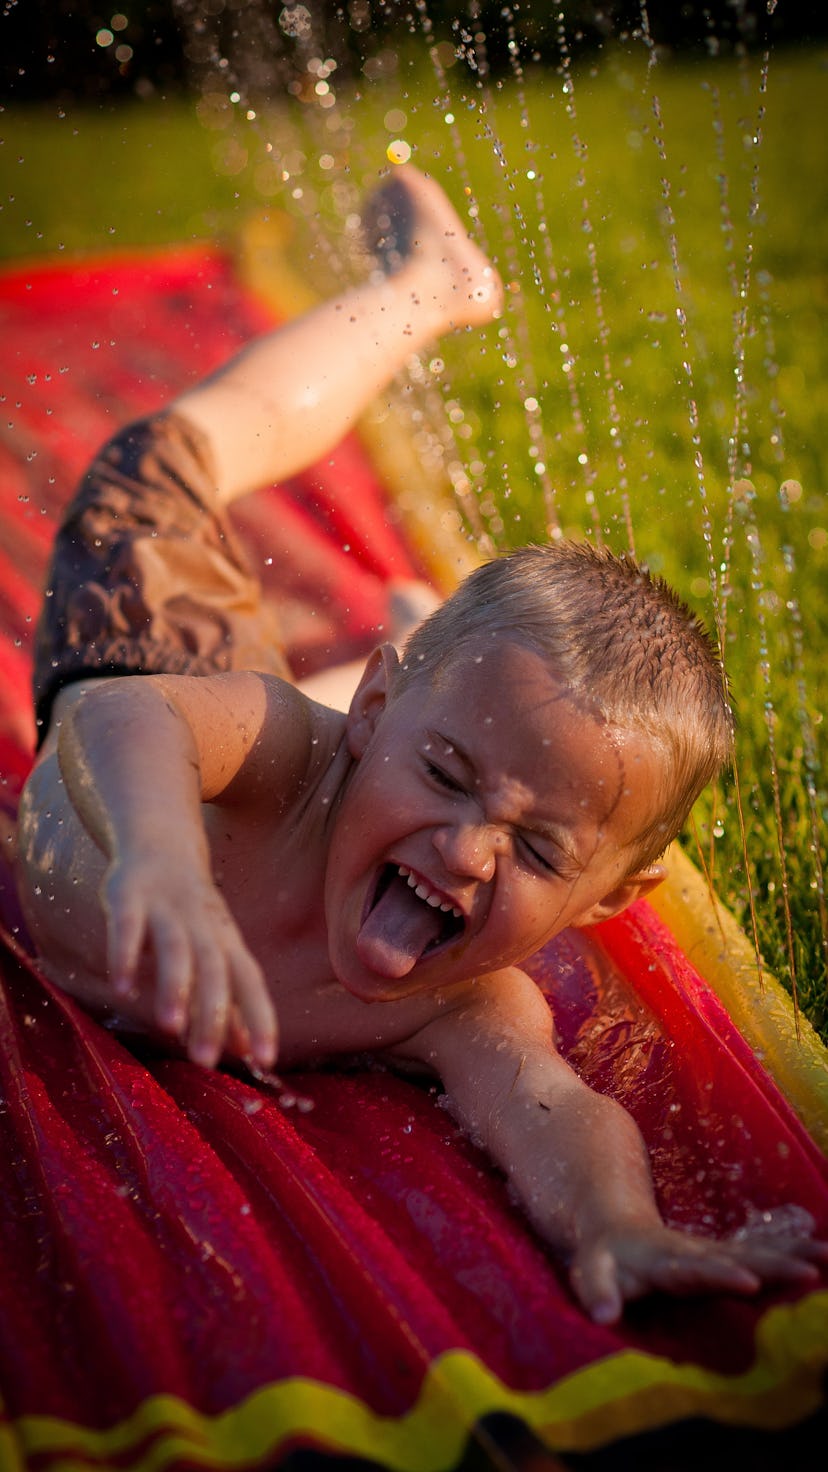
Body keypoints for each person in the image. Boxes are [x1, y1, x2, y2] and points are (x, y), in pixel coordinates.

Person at [14, 166, 826, 1326]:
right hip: (162, 633)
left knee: (400, 755)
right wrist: (159, 859)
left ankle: (411, 652)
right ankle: (426, 286)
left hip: (319, 714)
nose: (465, 852)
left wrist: (621, 1225)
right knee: (174, 453)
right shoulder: (289, 759)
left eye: (540, 849)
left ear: (613, 896)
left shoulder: (464, 1006)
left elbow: (555, 1108)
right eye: (448, 778)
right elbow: (117, 715)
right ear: (378, 718)